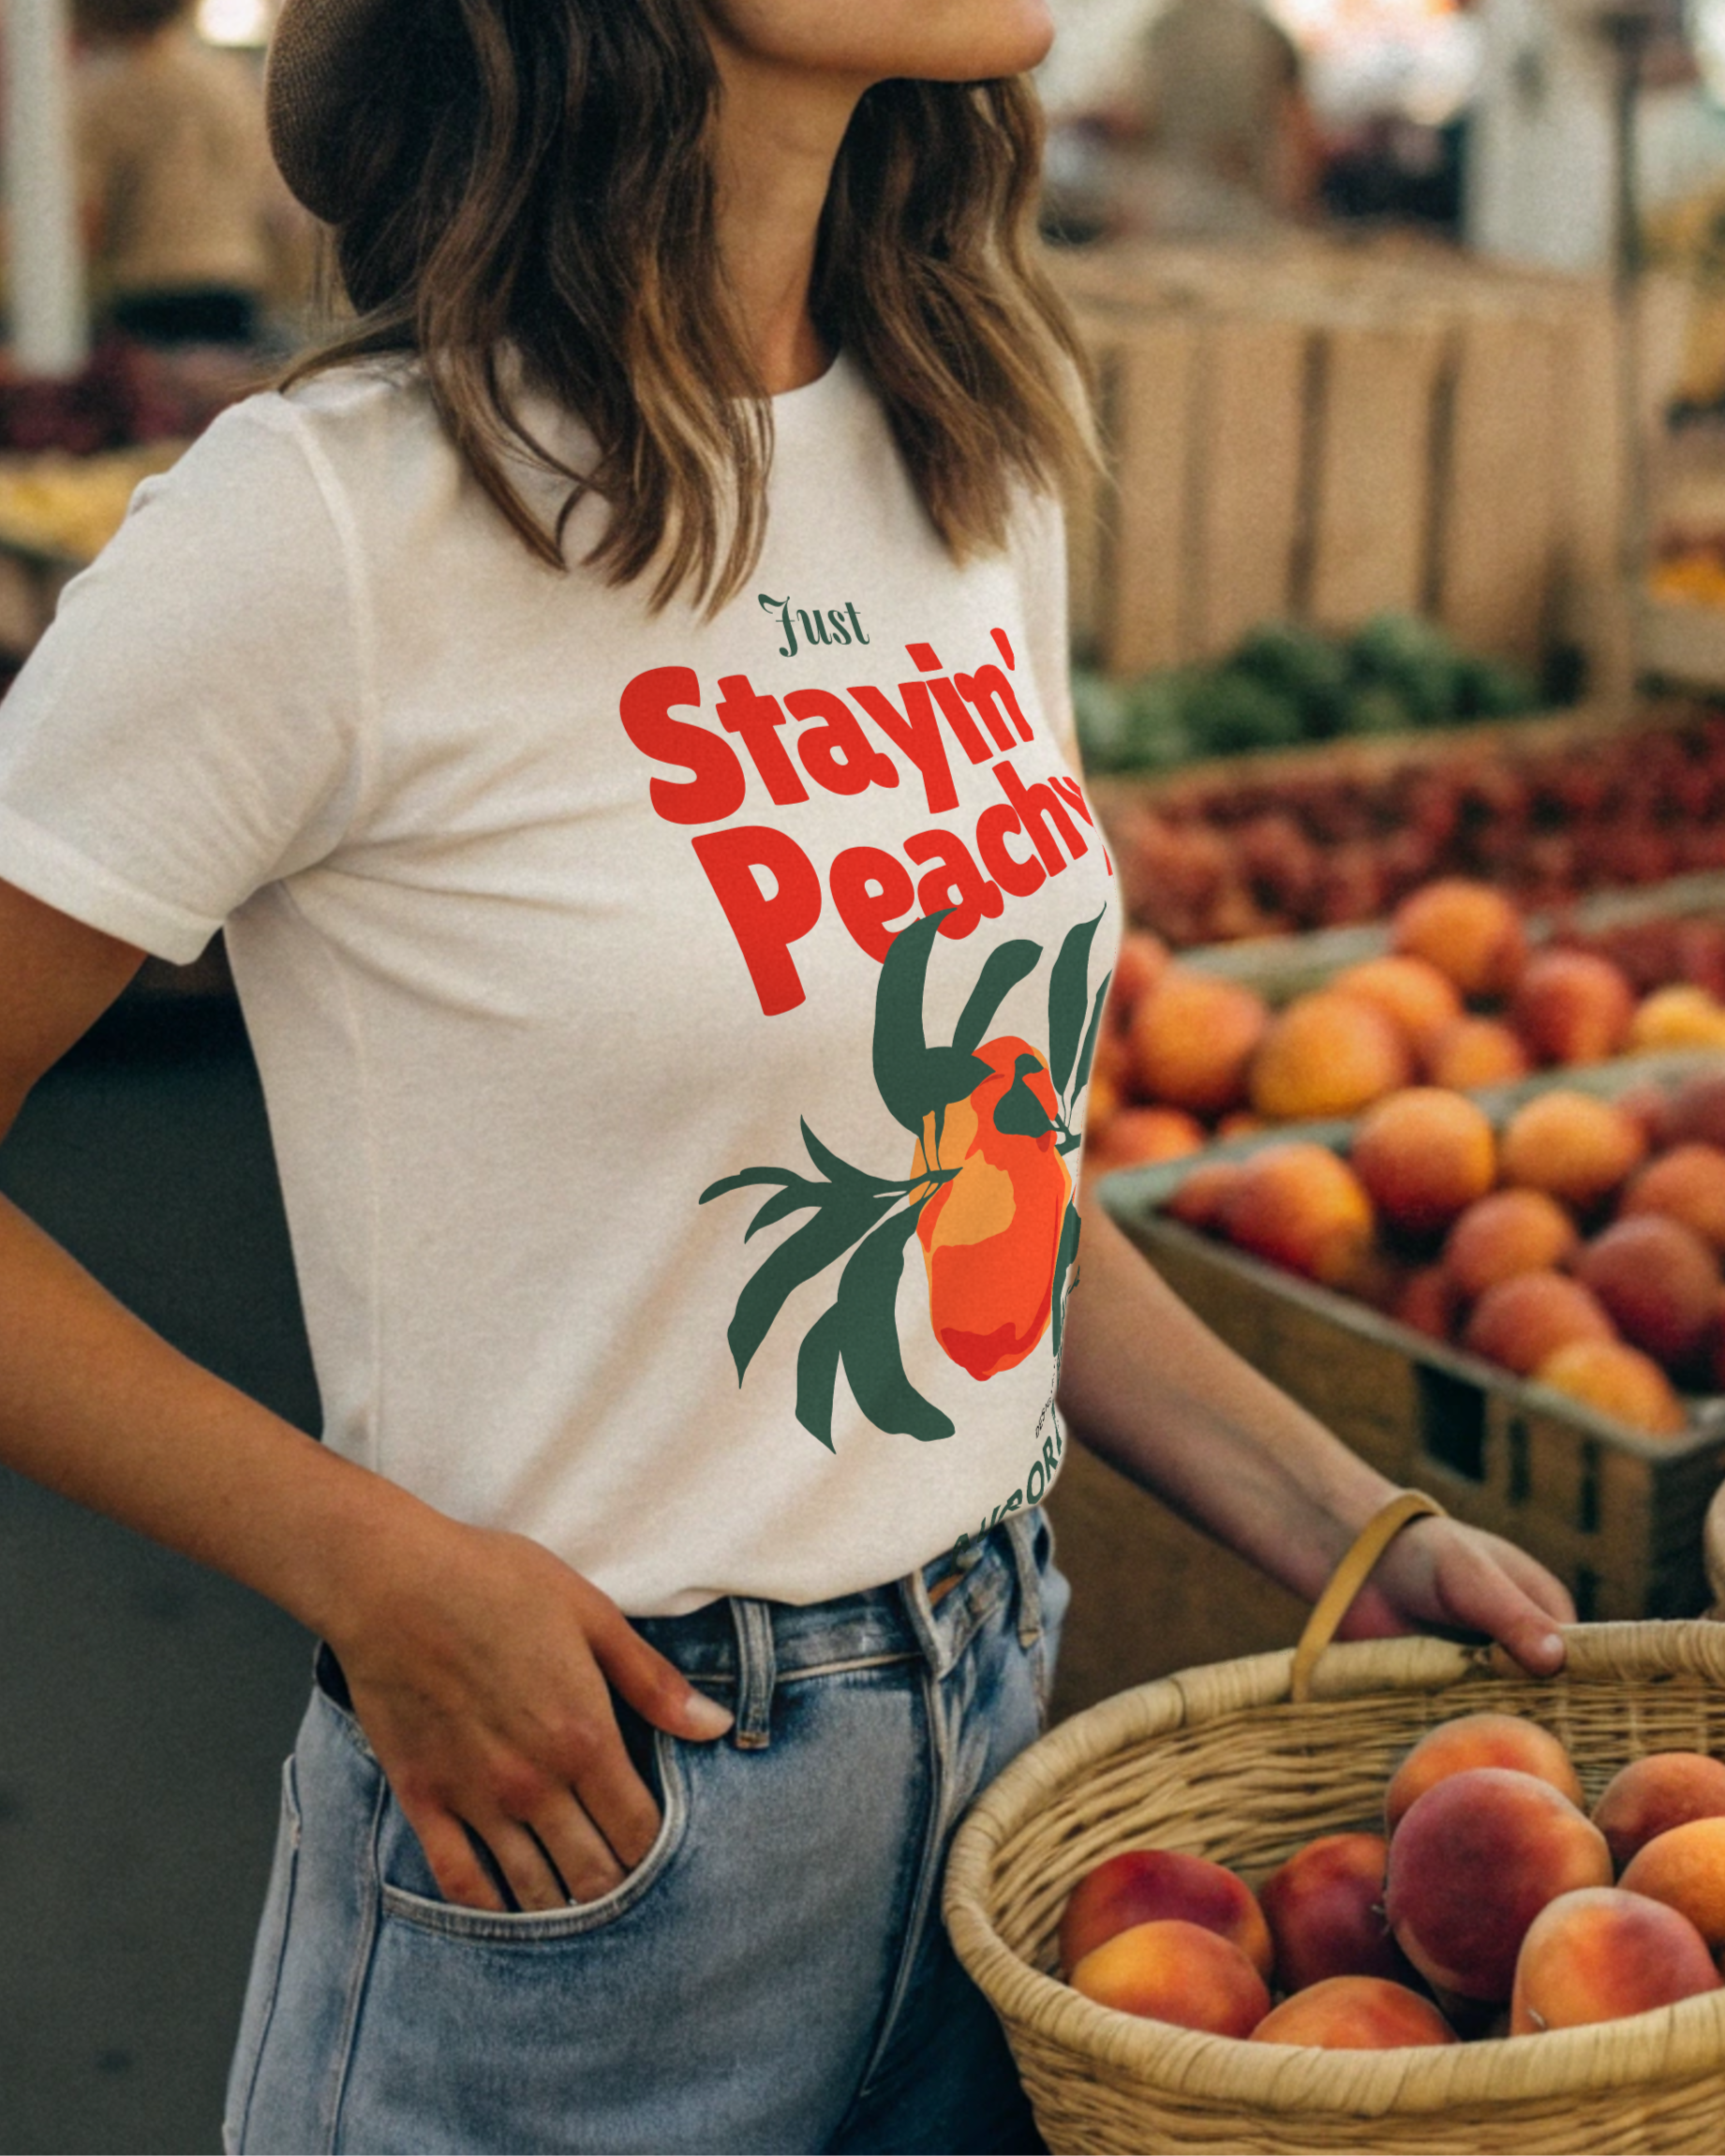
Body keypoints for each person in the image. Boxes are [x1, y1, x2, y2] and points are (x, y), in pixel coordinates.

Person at [0, 3, 1573, 2151]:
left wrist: (1335, 1520)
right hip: (584, 1833)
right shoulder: (336, 525)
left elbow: (981, 1173)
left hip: (1008, 1762)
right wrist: (366, 1564)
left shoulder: (965, 448)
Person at [72, 0, 292, 347]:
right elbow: (272, 191)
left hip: (152, 290)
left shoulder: (110, 89)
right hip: (236, 281)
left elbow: (87, 216)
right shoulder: (229, 78)